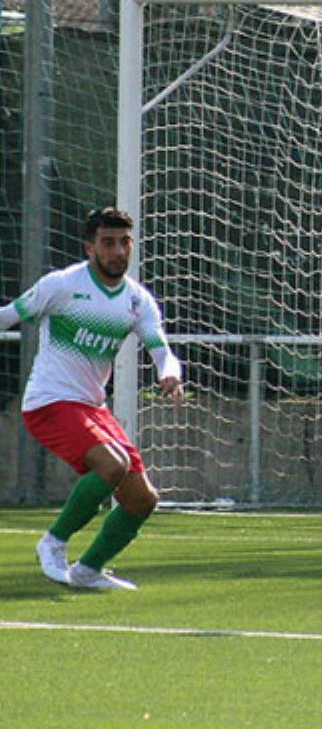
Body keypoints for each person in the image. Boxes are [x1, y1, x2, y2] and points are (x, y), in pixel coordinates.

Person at [0, 207, 184, 590]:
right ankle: (53, 543)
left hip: (91, 407)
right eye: (108, 243)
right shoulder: (62, 285)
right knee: (112, 465)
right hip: (49, 402)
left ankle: (88, 569)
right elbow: (8, 315)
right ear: (90, 248)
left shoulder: (137, 300)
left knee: (142, 499)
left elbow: (161, 348)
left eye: (124, 242)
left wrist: (170, 373)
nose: (118, 251)